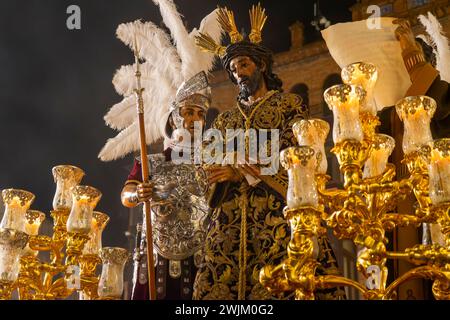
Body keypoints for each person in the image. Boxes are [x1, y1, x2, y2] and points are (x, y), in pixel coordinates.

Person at [193, 4, 345, 300]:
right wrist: (215, 174)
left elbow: (299, 157)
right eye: (234, 69)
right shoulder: (224, 120)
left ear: (261, 66)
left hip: (276, 216)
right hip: (229, 224)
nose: (239, 74)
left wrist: (244, 169)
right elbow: (206, 169)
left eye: (245, 65)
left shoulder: (289, 106)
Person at [98, 0, 223, 300]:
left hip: (202, 254)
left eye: (199, 114)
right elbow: (127, 193)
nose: (194, 119)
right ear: (175, 116)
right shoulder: (153, 160)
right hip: (158, 254)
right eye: (188, 112)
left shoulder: (212, 156)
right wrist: (136, 193)